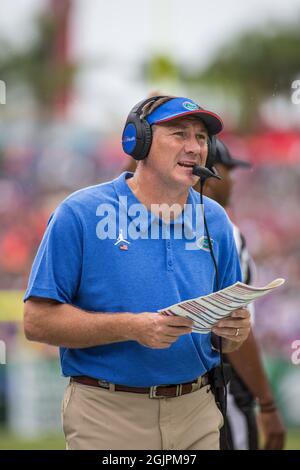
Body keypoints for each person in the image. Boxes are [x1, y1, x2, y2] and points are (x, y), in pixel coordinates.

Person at [23, 95, 251, 450]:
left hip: (197, 411)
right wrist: (133, 328)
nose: (195, 147)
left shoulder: (215, 220)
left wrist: (235, 330)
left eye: (202, 138)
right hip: (108, 413)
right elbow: (36, 321)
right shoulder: (80, 213)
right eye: (179, 134)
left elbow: (227, 334)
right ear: (138, 141)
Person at [202, 139, 286, 450]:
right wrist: (267, 403)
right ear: (208, 173)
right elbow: (232, 330)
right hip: (221, 382)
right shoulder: (223, 231)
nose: (233, 179)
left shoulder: (162, 227)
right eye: (227, 170)